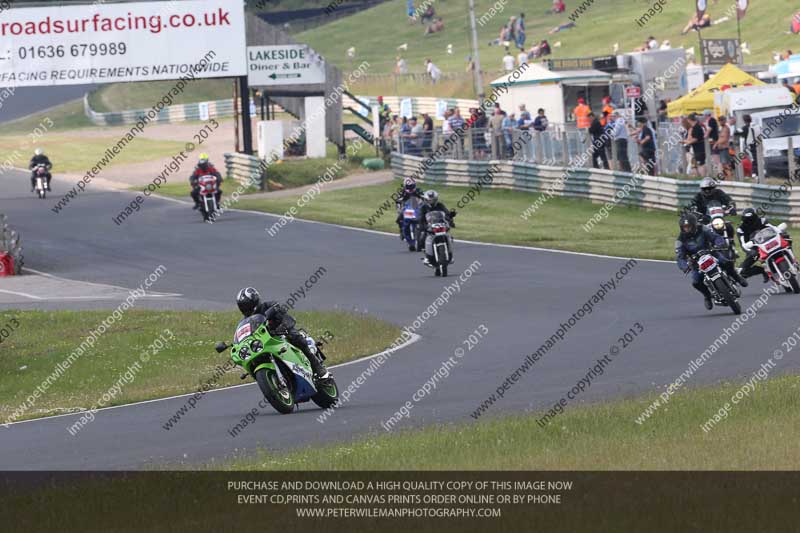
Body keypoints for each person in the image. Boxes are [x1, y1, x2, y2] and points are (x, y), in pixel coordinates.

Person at [235, 287, 329, 380]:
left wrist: (276, 313)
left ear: (255, 301)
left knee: (295, 337)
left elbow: (278, 308)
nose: (246, 309)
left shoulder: (267, 306)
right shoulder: (245, 321)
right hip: (266, 340)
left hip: (282, 329)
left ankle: (317, 367)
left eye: (247, 305)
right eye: (243, 307)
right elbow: (245, 333)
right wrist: (238, 342)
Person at [676, 214, 748, 310]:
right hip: (696, 262)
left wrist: (719, 244)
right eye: (685, 227)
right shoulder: (680, 240)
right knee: (696, 281)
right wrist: (684, 266)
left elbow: (715, 237)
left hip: (711, 253)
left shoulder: (703, 229)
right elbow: (680, 256)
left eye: (688, 227)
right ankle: (707, 296)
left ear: (694, 225)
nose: (687, 229)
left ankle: (737, 277)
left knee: (726, 262)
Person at [418, 190, 456, 267]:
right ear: (426, 200)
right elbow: (420, 218)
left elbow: (447, 214)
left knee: (449, 237)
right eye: (429, 200)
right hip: (429, 226)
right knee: (422, 237)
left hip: (440, 225)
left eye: (433, 200)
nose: (431, 202)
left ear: (436, 199)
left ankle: (449, 255)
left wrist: (450, 219)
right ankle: (427, 256)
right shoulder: (423, 208)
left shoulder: (440, 205)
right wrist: (422, 226)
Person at [737, 208, 772, 283]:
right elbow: (743, 245)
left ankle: (792, 260)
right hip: (754, 248)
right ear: (743, 219)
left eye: (752, 219)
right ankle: (762, 270)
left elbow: (773, 229)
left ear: (755, 217)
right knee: (742, 271)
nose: (750, 222)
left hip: (768, 242)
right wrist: (751, 252)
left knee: (786, 237)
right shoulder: (741, 229)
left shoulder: (762, 221)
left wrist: (780, 232)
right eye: (747, 220)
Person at [715, 115, 733, 179]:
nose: (720, 122)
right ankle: (727, 178)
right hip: (721, 149)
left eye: (721, 121)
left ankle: (729, 178)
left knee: (726, 165)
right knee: (723, 164)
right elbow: (720, 138)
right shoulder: (721, 128)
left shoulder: (725, 128)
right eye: (719, 121)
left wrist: (716, 143)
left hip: (724, 148)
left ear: (724, 121)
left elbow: (724, 139)